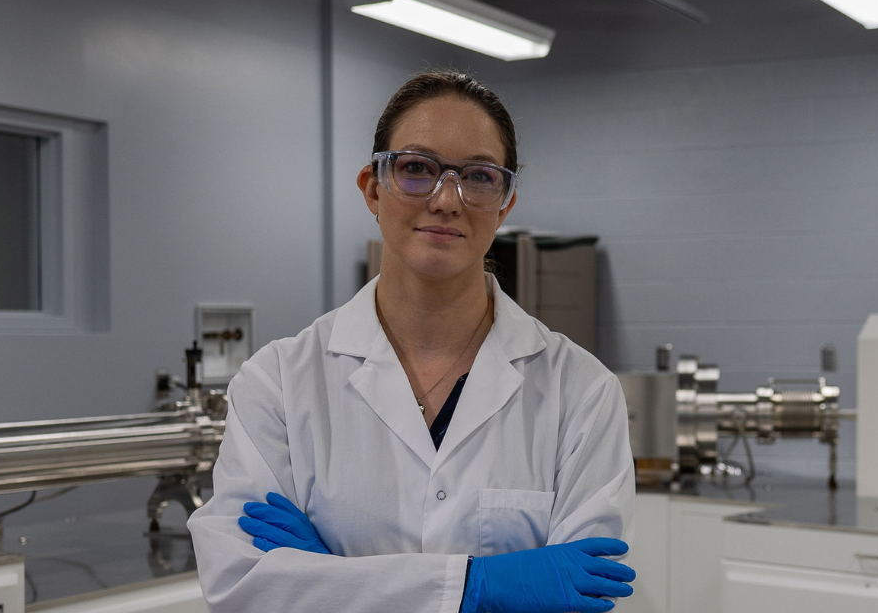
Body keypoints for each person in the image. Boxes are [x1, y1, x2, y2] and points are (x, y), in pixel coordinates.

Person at [189, 71, 635, 613]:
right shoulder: (278, 383)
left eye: (479, 176)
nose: (447, 200)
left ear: (506, 202)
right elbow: (243, 589)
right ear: (373, 188)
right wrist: (477, 587)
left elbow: (584, 600)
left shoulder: (580, 392)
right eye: (417, 169)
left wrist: (329, 578)